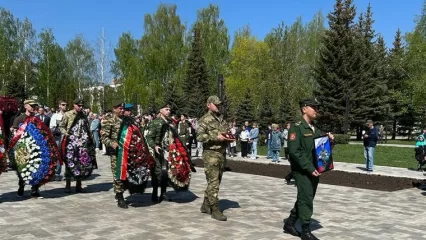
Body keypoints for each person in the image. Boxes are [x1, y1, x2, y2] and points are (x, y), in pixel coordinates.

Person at [283, 97, 334, 240]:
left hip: (315, 169)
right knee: (306, 198)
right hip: (302, 170)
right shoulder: (296, 127)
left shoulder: (315, 128)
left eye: (317, 107)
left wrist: (329, 141)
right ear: (304, 109)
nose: (317, 110)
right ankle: (305, 231)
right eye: (314, 107)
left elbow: (319, 149)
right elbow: (295, 152)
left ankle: (290, 223)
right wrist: (309, 167)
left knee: (306, 197)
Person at [197, 95, 233, 221]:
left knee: (216, 181)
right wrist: (215, 137)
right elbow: (199, 136)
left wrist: (229, 137)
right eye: (215, 104)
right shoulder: (204, 120)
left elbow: (225, 132)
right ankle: (215, 210)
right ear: (209, 105)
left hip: (221, 154)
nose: (218, 106)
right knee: (214, 183)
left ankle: (205, 205)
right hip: (211, 154)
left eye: (219, 104)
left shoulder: (221, 119)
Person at [60, 99, 97, 194]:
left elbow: (87, 128)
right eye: (78, 105)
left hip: (82, 143)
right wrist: (67, 134)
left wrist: (91, 141)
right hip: (71, 143)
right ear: (74, 105)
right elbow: (61, 126)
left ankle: (78, 185)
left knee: (81, 163)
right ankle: (68, 184)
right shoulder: (68, 114)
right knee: (70, 162)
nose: (80, 107)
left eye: (81, 105)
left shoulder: (83, 115)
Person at [12, 99, 42, 198]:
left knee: (36, 168)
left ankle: (35, 190)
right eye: (31, 105)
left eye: (34, 106)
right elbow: (15, 135)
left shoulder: (37, 119)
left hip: (35, 147)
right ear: (25, 106)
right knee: (23, 168)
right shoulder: (19, 119)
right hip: (23, 148)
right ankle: (21, 187)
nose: (33, 107)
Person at [145, 104, 173, 203]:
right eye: (166, 109)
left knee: (166, 173)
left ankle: (163, 193)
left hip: (168, 151)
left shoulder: (169, 122)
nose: (169, 111)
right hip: (157, 152)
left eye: (169, 109)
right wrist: (155, 146)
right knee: (157, 173)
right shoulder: (155, 122)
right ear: (161, 110)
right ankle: (154, 193)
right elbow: (149, 137)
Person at [49, 100, 67, 181]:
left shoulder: (69, 115)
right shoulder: (55, 116)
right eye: (63, 105)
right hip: (58, 138)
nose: (65, 106)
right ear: (59, 106)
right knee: (58, 155)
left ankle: (68, 173)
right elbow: (52, 128)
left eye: (66, 105)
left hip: (67, 138)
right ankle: (57, 173)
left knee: (68, 155)